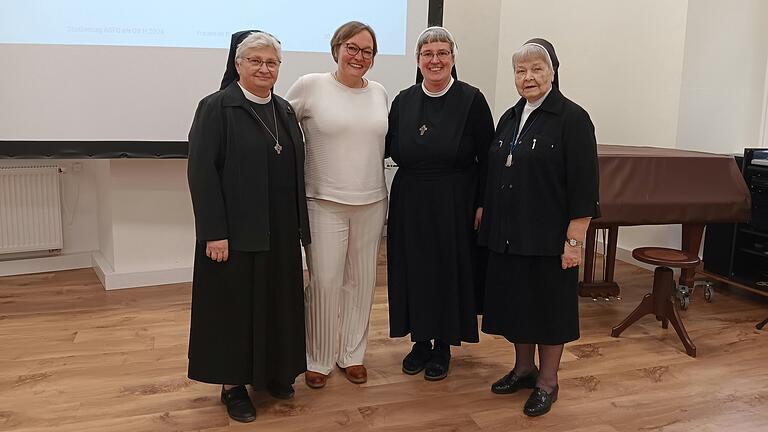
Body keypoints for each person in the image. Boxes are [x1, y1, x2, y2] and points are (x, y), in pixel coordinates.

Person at [186, 30, 310, 423]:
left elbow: (294, 171)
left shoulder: (285, 110)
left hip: (279, 229)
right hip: (235, 234)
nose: (264, 68)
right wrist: (213, 233)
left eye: (271, 62)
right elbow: (202, 173)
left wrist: (300, 232)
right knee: (234, 311)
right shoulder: (217, 108)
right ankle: (233, 385)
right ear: (237, 65)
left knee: (277, 302)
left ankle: (273, 373)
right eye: (255, 60)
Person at [478, 38, 600, 417]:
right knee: (518, 304)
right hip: (510, 233)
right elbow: (496, 167)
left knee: (549, 310)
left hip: (549, 237)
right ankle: (523, 368)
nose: (527, 77)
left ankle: (548, 382)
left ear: (552, 72)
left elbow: (584, 183)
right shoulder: (511, 117)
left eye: (536, 69)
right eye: (520, 71)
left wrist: (574, 240)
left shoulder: (573, 119)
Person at [386, 26, 494, 381]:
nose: (435, 60)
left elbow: (488, 158)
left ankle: (443, 345)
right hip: (411, 199)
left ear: (452, 58)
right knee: (414, 268)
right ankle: (420, 341)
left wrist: (481, 204)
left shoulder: (472, 99)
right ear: (418, 61)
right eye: (427, 54)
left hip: (455, 198)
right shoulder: (403, 100)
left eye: (442, 53)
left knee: (448, 269)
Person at [285, 21, 389, 389]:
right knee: (325, 283)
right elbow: (278, 128)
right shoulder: (311, 86)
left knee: (361, 283)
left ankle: (352, 354)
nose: (359, 56)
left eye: (367, 51)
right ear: (336, 48)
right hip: (323, 202)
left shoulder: (378, 92)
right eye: (352, 48)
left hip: (372, 201)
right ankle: (318, 357)